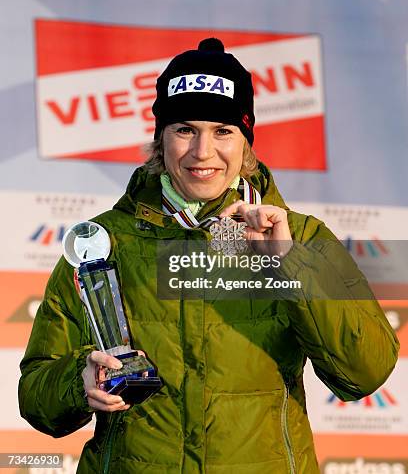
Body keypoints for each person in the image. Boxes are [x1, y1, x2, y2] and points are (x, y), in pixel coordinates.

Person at [19, 38, 399, 473]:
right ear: (160, 139)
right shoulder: (101, 243)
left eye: (223, 131)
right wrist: (78, 383)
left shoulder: (302, 237)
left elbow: (364, 373)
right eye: (185, 130)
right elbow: (35, 396)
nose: (203, 152)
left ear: (245, 141)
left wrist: (290, 265)